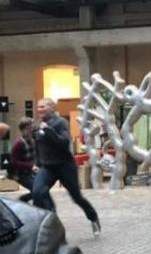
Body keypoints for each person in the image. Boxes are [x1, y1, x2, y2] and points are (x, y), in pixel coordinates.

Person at [32, 98, 101, 236]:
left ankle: (93, 218)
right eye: (38, 107)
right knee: (37, 192)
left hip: (65, 166)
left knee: (76, 197)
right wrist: (37, 164)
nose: (39, 109)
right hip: (48, 167)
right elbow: (38, 146)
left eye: (43, 106)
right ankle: (50, 225)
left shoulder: (60, 122)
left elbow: (63, 143)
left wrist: (49, 130)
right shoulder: (37, 125)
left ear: (52, 108)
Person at [10, 118, 40, 203]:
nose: (31, 130)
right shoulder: (19, 143)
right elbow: (14, 161)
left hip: (31, 172)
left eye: (31, 127)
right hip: (21, 174)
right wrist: (31, 166)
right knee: (38, 190)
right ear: (23, 130)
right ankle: (21, 201)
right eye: (29, 128)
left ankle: (29, 204)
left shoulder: (32, 140)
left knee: (40, 190)